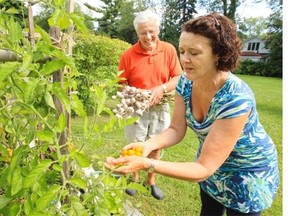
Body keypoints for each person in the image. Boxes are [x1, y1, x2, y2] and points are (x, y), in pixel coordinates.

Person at [106, 12, 280, 215]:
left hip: (247, 174)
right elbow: (176, 129)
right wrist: (148, 145)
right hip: (209, 166)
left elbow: (203, 169)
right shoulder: (186, 82)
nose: (184, 60)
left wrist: (147, 163)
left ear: (219, 53)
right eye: (182, 51)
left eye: (194, 53)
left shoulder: (236, 99)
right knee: (208, 210)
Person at [117, 10, 182, 200]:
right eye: (143, 33)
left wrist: (161, 89)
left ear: (158, 30)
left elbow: (177, 77)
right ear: (137, 33)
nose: (148, 36)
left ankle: (151, 181)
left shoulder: (168, 50)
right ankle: (134, 179)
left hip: (160, 105)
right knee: (135, 144)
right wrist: (135, 95)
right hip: (136, 107)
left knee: (156, 145)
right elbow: (121, 84)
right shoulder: (127, 55)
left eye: (152, 31)